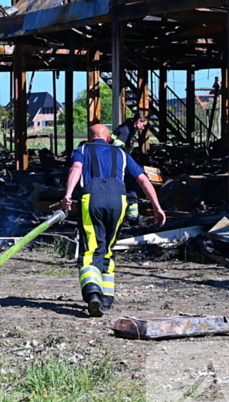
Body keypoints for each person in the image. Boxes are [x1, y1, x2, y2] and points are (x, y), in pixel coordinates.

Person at [61, 124, 166, 317]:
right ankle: (107, 299)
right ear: (108, 138)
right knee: (107, 248)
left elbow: (76, 168)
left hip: (92, 198)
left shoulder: (83, 149)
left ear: (90, 137)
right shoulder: (121, 153)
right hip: (119, 200)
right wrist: (157, 207)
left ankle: (93, 292)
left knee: (91, 247)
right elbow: (143, 179)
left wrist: (67, 194)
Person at [112, 111, 150, 223]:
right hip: (121, 165)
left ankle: (130, 215)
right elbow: (116, 147)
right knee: (132, 187)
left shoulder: (127, 128)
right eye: (143, 125)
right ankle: (133, 217)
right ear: (138, 121)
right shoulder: (126, 131)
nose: (143, 128)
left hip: (120, 164)